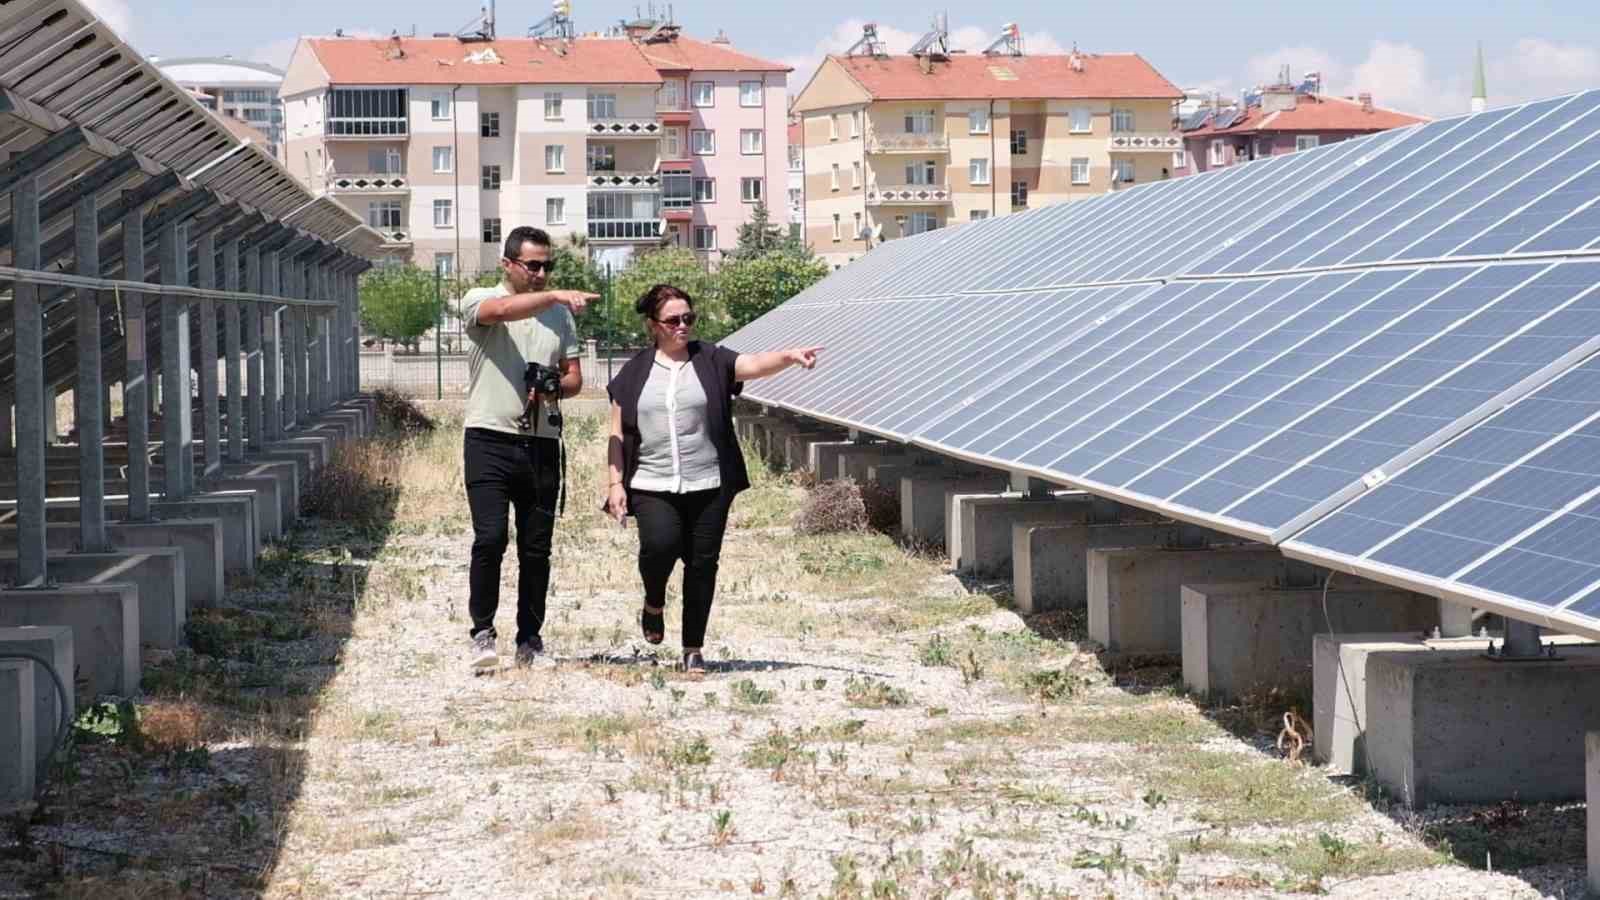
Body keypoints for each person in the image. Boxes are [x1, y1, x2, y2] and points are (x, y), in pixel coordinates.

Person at [604, 284, 822, 674]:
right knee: (659, 546)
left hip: (709, 482)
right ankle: (654, 602)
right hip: (651, 482)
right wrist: (615, 483)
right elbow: (617, 432)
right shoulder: (634, 371)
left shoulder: (710, 359)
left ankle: (693, 649)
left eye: (689, 318)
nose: (683, 326)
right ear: (654, 325)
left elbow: (753, 365)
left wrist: (789, 357)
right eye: (673, 320)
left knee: (702, 564)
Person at [460, 226, 599, 672]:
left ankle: (530, 640)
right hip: (488, 438)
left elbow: (575, 376)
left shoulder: (559, 317)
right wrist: (555, 295)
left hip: (541, 442)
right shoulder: (479, 298)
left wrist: (556, 386)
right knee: (491, 537)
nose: (540, 273)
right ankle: (482, 633)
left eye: (547, 266)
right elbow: (501, 310)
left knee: (536, 547)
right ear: (508, 264)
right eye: (533, 265)